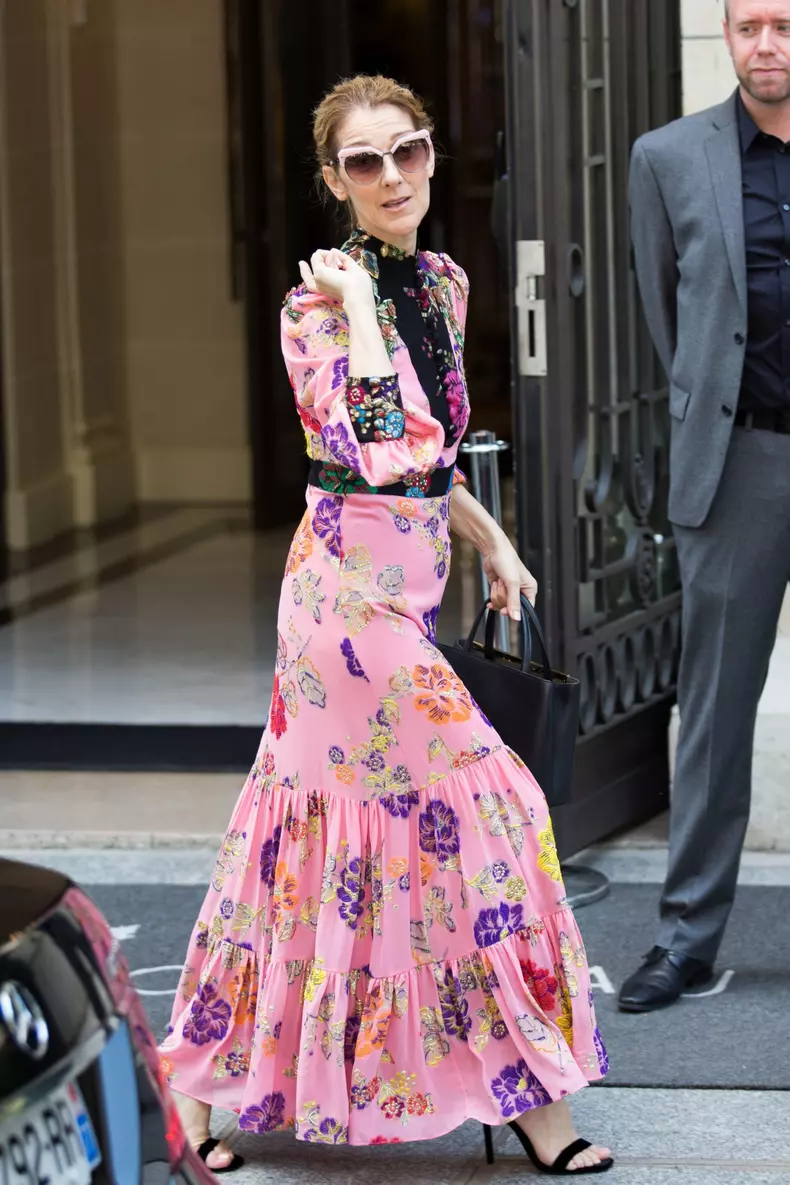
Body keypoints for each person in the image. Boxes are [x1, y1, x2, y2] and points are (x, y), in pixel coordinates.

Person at [159, 74, 612, 1176]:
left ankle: (200, 1097)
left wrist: (489, 540)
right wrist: (359, 304)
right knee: (489, 806)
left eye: (407, 150)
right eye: (365, 161)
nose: (393, 175)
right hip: (342, 610)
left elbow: (432, 460)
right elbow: (376, 443)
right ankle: (532, 1103)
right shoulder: (314, 310)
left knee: (321, 842)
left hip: (404, 590)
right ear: (336, 180)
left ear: (431, 153)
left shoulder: (444, 284)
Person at [621, 0, 790, 1013]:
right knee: (715, 712)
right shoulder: (667, 158)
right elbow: (667, 319)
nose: (765, 45)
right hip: (736, 467)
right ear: (727, 36)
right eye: (747, 27)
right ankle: (685, 937)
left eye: (783, 25)